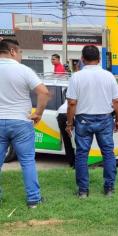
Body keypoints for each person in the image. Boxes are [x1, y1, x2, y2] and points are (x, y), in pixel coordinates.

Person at [65, 45, 118, 198]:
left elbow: (71, 104)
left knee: (82, 155)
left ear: (82, 59)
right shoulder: (108, 76)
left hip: (83, 120)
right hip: (105, 119)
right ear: (99, 59)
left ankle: (83, 191)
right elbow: (116, 101)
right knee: (108, 154)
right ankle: (109, 189)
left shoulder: (76, 77)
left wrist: (69, 124)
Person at [0, 39, 50, 208]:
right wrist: (38, 114)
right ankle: (33, 200)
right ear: (12, 51)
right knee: (27, 161)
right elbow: (43, 92)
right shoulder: (23, 70)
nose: (21, 56)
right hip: (21, 121)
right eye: (20, 52)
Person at [57, 90, 75, 168]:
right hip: (70, 114)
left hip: (60, 114)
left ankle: (71, 162)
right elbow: (72, 106)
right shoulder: (77, 94)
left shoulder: (68, 94)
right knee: (78, 139)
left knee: (67, 140)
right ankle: (78, 163)